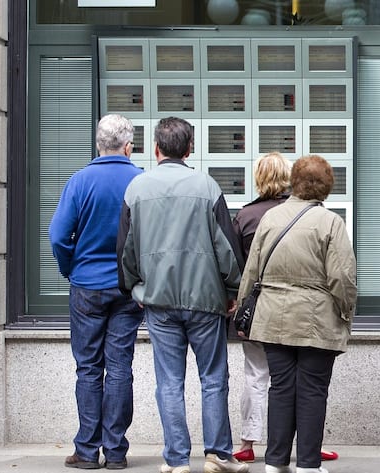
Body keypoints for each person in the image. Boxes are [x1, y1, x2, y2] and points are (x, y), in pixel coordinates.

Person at [117, 117, 249, 473]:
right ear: (190, 149)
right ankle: (218, 455)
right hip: (205, 299)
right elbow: (227, 249)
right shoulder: (207, 187)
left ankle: (177, 460)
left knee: (169, 383)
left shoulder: (136, 189)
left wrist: (134, 287)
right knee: (213, 379)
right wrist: (232, 290)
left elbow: (126, 249)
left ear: (156, 149)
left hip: (158, 300)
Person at [237, 155, 356, 473]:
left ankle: (275, 462)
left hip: (272, 319)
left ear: (295, 182)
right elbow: (342, 278)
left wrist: (244, 310)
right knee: (313, 390)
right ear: (327, 186)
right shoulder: (330, 223)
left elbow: (251, 273)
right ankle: (307, 464)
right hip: (317, 321)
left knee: (280, 387)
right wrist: (345, 313)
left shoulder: (270, 219)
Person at [49, 114, 144, 470]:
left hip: (86, 285)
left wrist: (70, 268)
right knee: (120, 367)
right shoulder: (140, 181)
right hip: (126, 287)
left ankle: (87, 451)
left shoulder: (79, 181)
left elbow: (58, 236)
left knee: (88, 368)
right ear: (128, 147)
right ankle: (116, 452)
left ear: (98, 144)